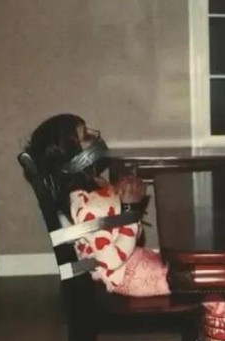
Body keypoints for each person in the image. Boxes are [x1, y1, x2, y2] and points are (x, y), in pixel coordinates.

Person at [23, 114, 170, 297]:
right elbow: (109, 259)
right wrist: (129, 210)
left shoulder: (88, 193)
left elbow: (107, 227)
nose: (96, 135)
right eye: (85, 135)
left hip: (124, 261)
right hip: (119, 273)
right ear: (72, 152)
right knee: (194, 280)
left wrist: (119, 197)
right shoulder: (88, 206)